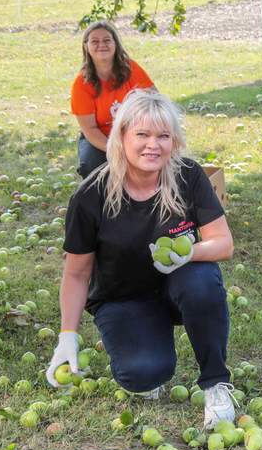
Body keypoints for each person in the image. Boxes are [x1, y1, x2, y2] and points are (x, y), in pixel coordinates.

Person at [48, 89, 238, 429]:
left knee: (202, 280)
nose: (154, 145)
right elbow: (77, 274)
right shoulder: (91, 196)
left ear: (174, 141)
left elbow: (223, 244)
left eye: (163, 136)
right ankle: (142, 340)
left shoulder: (187, 176)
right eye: (143, 134)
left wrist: (187, 252)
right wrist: (67, 335)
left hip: (177, 284)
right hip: (123, 297)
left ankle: (215, 384)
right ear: (121, 137)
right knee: (144, 375)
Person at [70, 20, 154, 178]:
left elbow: (155, 101)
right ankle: (99, 202)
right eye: (94, 41)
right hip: (101, 138)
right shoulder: (81, 83)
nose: (101, 44)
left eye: (107, 40)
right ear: (86, 46)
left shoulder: (131, 68)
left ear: (115, 44)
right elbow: (90, 129)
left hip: (135, 133)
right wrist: (118, 149)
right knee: (92, 168)